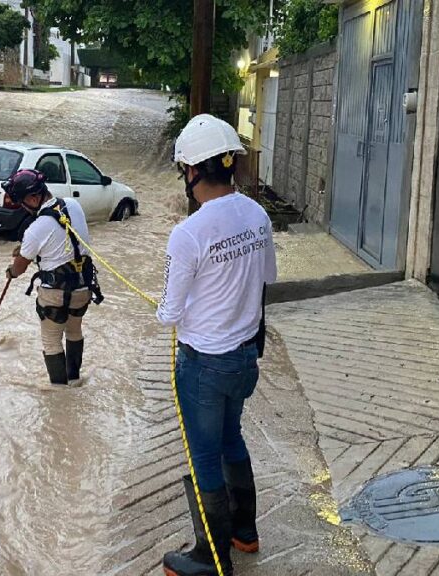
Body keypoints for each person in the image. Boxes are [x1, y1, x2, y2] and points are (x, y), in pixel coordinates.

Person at [157, 114, 278, 576]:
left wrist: (168, 307)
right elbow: (267, 279)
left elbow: (169, 312)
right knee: (231, 438)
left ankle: (210, 555)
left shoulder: (188, 233)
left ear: (191, 171)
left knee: (204, 453)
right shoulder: (257, 214)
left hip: (203, 366)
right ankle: (244, 532)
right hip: (245, 359)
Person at [3, 169, 103, 387]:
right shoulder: (73, 205)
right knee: (74, 331)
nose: (23, 207)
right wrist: (28, 249)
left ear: (33, 198)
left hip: (54, 295)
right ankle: (75, 379)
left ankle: (59, 392)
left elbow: (19, 268)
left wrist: (11, 271)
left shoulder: (35, 229)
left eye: (22, 202)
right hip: (83, 288)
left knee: (51, 340)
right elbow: (64, 240)